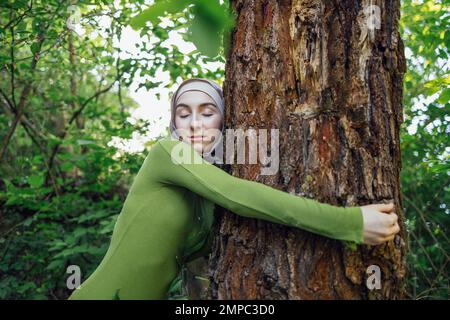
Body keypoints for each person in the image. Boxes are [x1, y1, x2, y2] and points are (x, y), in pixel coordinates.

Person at [68, 78, 400, 300]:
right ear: (173, 124)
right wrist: (349, 223)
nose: (194, 123)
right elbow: (240, 196)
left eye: (207, 112)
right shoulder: (168, 153)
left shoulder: (204, 190)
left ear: (224, 120)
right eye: (183, 115)